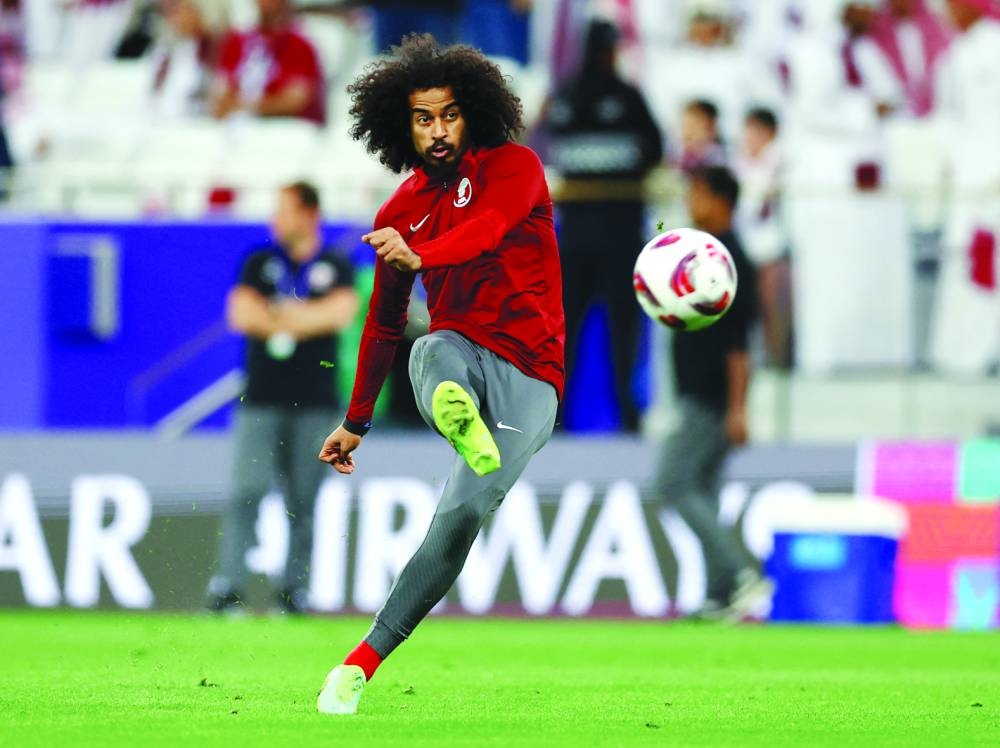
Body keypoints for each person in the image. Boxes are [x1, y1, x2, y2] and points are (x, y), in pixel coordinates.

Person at [313, 33, 564, 715]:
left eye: (448, 114)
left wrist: (419, 255)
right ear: (404, 125)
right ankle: (356, 667)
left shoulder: (515, 166)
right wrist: (356, 419)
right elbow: (384, 326)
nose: (438, 130)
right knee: (428, 349)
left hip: (530, 377)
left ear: (472, 112)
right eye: (423, 118)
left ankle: (468, 426)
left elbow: (484, 230)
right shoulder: (398, 214)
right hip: (458, 353)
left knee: (460, 515)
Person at [206, 181, 359, 615]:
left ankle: (294, 592)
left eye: (284, 211)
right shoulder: (259, 261)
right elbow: (240, 313)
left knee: (304, 500)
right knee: (246, 492)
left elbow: (341, 312)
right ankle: (229, 590)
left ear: (309, 214)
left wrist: (276, 314)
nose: (275, 219)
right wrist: (301, 319)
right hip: (260, 400)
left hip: (315, 404)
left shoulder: (335, 263)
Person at [654, 166, 769, 619]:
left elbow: (740, 348)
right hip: (701, 394)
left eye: (698, 194)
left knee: (673, 481)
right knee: (703, 487)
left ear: (722, 200)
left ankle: (739, 573)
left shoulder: (730, 262)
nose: (690, 203)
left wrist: (738, 409)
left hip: (712, 399)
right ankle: (720, 593)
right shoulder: (706, 255)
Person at [543, 18, 663, 432]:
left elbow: (656, 149)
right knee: (571, 330)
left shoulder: (618, 97)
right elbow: (653, 149)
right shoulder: (573, 97)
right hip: (585, 238)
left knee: (617, 331)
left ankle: (623, 417)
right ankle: (560, 419)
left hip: (609, 237)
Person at [734, 107, 791, 367]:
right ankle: (750, 357)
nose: (750, 138)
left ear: (770, 134)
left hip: (771, 245)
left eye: (756, 132)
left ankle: (777, 358)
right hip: (742, 243)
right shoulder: (737, 162)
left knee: (772, 306)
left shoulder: (781, 162)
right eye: (748, 132)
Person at [211, 0, 326, 125]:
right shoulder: (236, 41)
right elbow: (221, 98)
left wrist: (243, 106)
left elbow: (296, 101)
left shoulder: (300, 44)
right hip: (240, 130)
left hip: (283, 131)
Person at [149, 0, 230, 119]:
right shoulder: (178, 45)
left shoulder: (221, 48)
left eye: (184, 10)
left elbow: (221, 99)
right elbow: (156, 89)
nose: (178, 17)